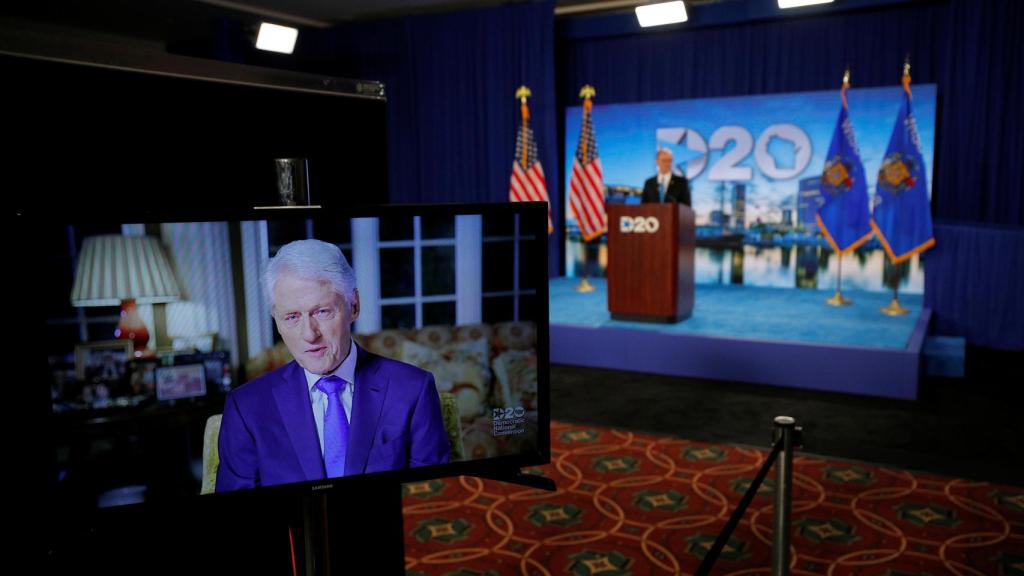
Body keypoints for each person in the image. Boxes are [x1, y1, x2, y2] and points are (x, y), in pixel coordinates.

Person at [216, 239, 450, 492]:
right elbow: (236, 515)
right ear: (277, 320)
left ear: (354, 306)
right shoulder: (246, 407)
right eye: (292, 317)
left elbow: (430, 500)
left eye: (322, 312)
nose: (309, 334)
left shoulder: (413, 389)